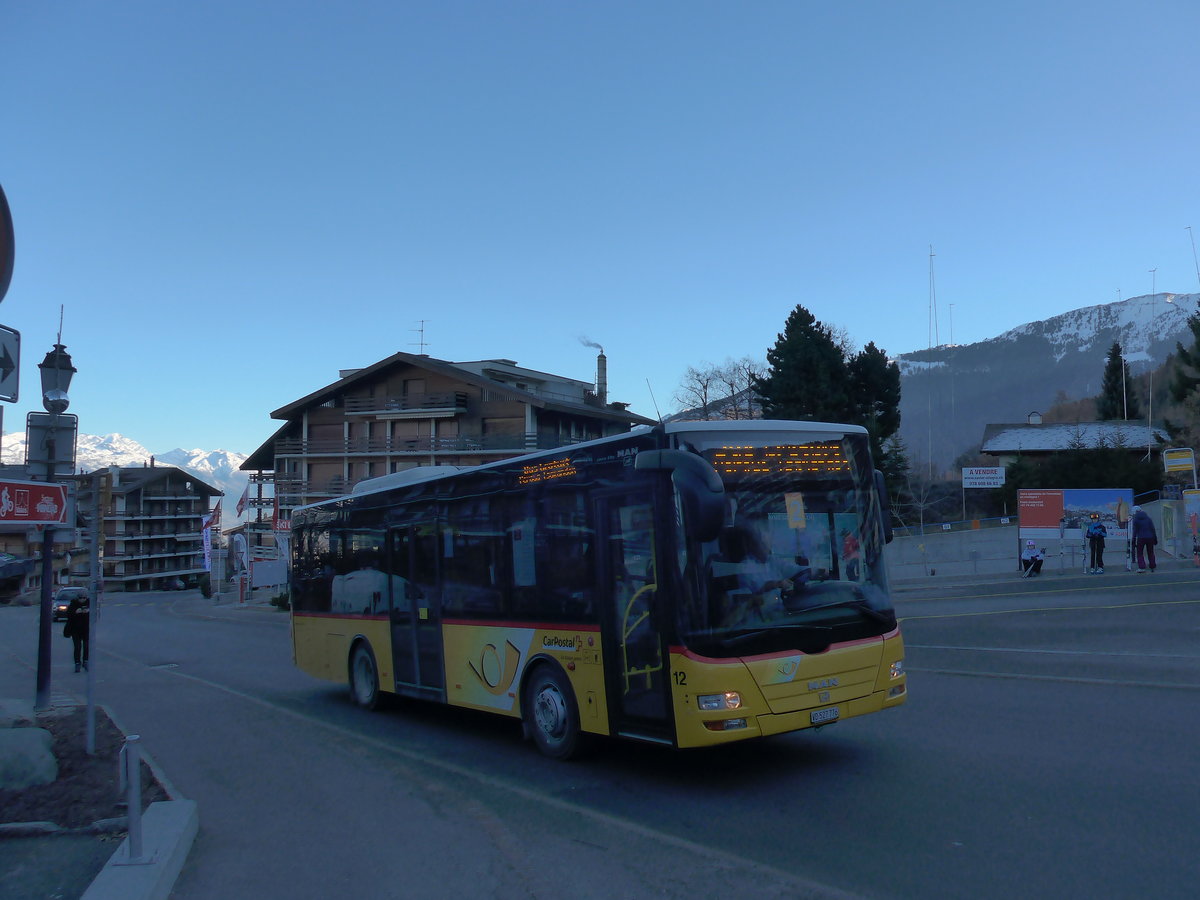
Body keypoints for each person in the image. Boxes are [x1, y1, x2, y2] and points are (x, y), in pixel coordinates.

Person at [63, 592, 90, 672]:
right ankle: (77, 663)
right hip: (75, 630)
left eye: (84, 598)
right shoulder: (73, 604)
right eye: (80, 598)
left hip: (86, 629)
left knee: (86, 646)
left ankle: (86, 661)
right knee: (77, 647)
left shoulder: (89, 604)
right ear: (77, 598)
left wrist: (88, 612)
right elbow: (68, 615)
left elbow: (95, 615)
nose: (82, 600)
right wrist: (75, 612)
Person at [1131, 505, 1158, 573]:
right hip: (1150, 537)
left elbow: (1135, 531)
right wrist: (1155, 538)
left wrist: (1133, 540)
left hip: (1141, 538)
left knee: (1140, 553)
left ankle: (1142, 567)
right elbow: (1152, 529)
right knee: (1151, 552)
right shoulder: (1148, 518)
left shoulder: (1136, 520)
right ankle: (1152, 565)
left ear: (1135, 512)